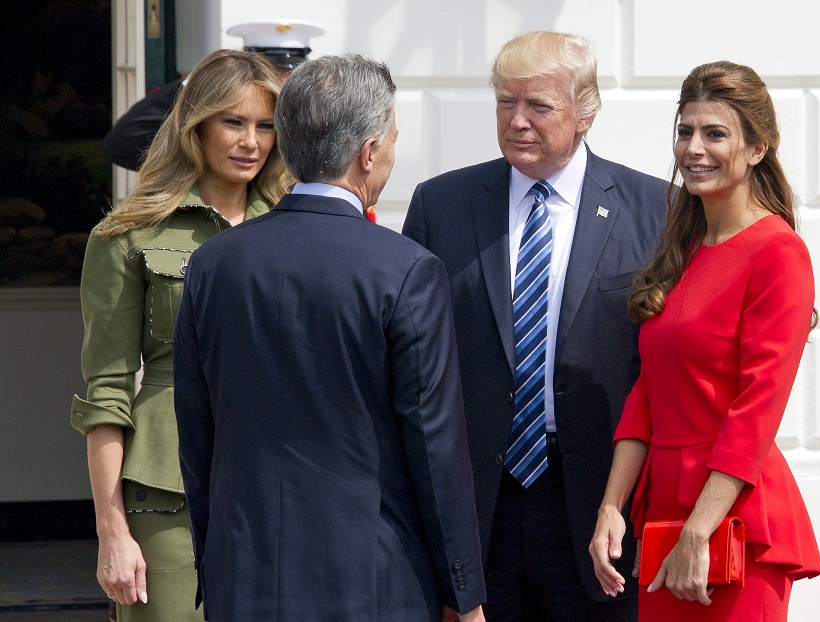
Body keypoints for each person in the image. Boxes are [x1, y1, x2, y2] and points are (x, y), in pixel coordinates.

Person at [173, 53, 487, 622]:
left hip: (241, 575)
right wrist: (463, 595)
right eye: (392, 138)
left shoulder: (213, 264)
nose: (392, 152)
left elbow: (197, 436)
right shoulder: (407, 270)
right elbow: (435, 448)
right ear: (368, 153)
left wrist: (216, 557)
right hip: (372, 581)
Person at [402, 31, 668, 621]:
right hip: (478, 507)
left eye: (538, 106)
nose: (517, 121)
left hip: (601, 502)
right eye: (505, 103)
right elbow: (411, 364)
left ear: (585, 115)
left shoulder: (655, 210)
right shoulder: (441, 205)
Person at [589, 60, 820, 621]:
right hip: (668, 510)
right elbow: (650, 392)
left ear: (757, 149)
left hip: (731, 517)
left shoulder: (777, 251)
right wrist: (611, 507)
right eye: (685, 131)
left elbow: (758, 406)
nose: (694, 148)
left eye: (715, 133)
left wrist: (702, 526)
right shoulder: (685, 248)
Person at [70, 49, 290, 622]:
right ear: (196, 127)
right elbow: (107, 393)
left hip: (282, 487)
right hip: (166, 493)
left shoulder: (297, 226)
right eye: (233, 122)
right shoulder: (128, 235)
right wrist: (110, 529)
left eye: (266, 126)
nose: (251, 142)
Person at [101, 19, 323, 171]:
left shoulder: (312, 115)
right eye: (272, 70)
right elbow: (121, 144)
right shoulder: (213, 126)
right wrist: (196, 85)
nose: (282, 80)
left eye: (291, 71)